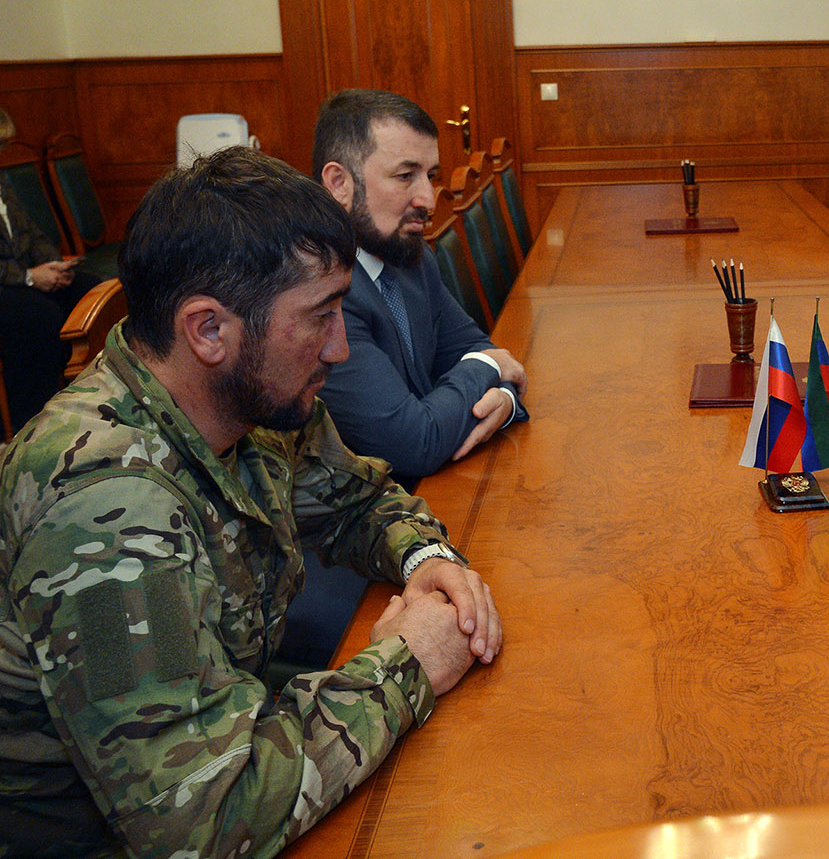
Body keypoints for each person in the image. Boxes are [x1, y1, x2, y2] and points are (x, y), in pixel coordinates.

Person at [0, 146, 501, 857]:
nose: (340, 348)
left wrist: (424, 557)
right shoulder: (106, 514)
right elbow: (201, 820)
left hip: (234, 731)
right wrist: (407, 661)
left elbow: (357, 501)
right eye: (320, 316)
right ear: (208, 330)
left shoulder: (253, 399)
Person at [312, 89, 527, 488]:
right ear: (339, 183)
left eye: (431, 175)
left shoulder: (412, 259)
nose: (427, 198)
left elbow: (475, 349)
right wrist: (490, 369)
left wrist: (506, 399)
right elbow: (413, 443)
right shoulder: (320, 297)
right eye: (405, 176)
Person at [0, 108, 101, 429]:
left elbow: (33, 233)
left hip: (20, 278)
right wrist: (30, 277)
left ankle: (90, 398)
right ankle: (32, 421)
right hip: (7, 285)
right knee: (39, 316)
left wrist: (54, 264)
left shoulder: (2, 181)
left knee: (89, 289)